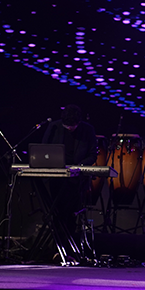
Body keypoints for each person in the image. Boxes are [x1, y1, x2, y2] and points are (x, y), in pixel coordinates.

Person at [40, 105, 98, 261]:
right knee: (57, 212)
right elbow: (44, 150)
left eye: (73, 126)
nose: (70, 129)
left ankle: (68, 250)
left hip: (76, 179)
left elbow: (93, 154)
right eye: (67, 126)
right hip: (57, 177)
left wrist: (79, 167)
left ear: (79, 122)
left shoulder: (87, 130)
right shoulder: (54, 127)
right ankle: (56, 250)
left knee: (71, 214)